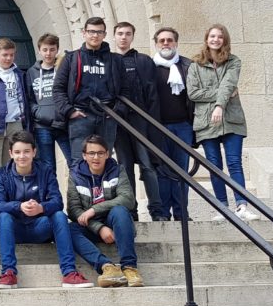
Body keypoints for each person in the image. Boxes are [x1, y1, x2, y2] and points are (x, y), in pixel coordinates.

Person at [187, 24, 259, 222]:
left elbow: (228, 84)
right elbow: (193, 93)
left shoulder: (233, 61)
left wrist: (220, 104)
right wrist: (221, 96)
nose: (215, 40)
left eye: (220, 36)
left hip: (231, 119)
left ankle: (241, 205)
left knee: (234, 162)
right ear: (206, 38)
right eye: (212, 36)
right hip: (206, 122)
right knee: (214, 165)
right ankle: (222, 208)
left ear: (225, 40)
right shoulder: (195, 65)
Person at [0, 130, 75, 288]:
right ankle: (8, 272)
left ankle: (70, 272)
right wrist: (19, 206)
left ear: (34, 152)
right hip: (14, 230)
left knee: (59, 215)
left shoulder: (45, 171)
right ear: (10, 153)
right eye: (17, 152)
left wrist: (41, 208)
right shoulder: (2, 174)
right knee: (3, 216)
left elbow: (57, 202)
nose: (22, 156)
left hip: (40, 228)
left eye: (26, 152)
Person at [66, 135, 142, 287]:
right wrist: (99, 228)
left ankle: (130, 267)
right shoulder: (75, 175)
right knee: (67, 229)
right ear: (84, 155)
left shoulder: (117, 170)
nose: (96, 157)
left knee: (120, 211)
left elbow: (128, 199)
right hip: (90, 227)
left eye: (100, 153)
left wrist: (94, 210)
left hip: (117, 224)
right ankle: (107, 267)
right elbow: (74, 210)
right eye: (91, 153)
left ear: (107, 154)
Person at [52, 17, 129, 166]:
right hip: (80, 115)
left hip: (107, 116)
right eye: (91, 31)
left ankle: (102, 190)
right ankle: (79, 191)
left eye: (99, 32)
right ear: (84, 33)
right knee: (79, 163)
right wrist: (69, 111)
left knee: (104, 162)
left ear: (104, 35)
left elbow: (125, 90)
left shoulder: (116, 60)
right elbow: (58, 89)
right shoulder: (71, 58)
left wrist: (117, 111)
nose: (95, 35)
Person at [113, 22, 164, 221]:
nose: (123, 37)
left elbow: (152, 94)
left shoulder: (143, 61)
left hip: (141, 120)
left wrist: (152, 123)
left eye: (127, 34)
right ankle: (131, 210)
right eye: (120, 34)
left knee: (147, 165)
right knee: (124, 167)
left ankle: (157, 210)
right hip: (119, 121)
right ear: (115, 36)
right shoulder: (110, 60)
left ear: (133, 36)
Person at [0, 38, 31, 224]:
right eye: (4, 55)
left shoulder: (19, 73)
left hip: (15, 123)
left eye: (11, 55)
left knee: (12, 166)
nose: (8, 58)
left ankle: (9, 205)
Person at [150, 27, 195, 221]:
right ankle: (163, 214)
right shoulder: (149, 67)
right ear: (156, 43)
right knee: (161, 172)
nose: (166, 43)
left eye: (169, 40)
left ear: (176, 43)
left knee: (181, 172)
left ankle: (181, 213)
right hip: (158, 127)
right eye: (162, 40)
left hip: (183, 127)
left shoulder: (188, 66)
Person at [26, 33, 71, 177]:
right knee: (48, 167)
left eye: (52, 49)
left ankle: (77, 197)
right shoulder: (31, 72)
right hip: (42, 126)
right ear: (39, 50)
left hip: (63, 124)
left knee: (74, 162)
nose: (48, 53)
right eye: (45, 50)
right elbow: (29, 99)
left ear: (57, 50)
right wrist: (38, 113)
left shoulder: (64, 68)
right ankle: (52, 199)